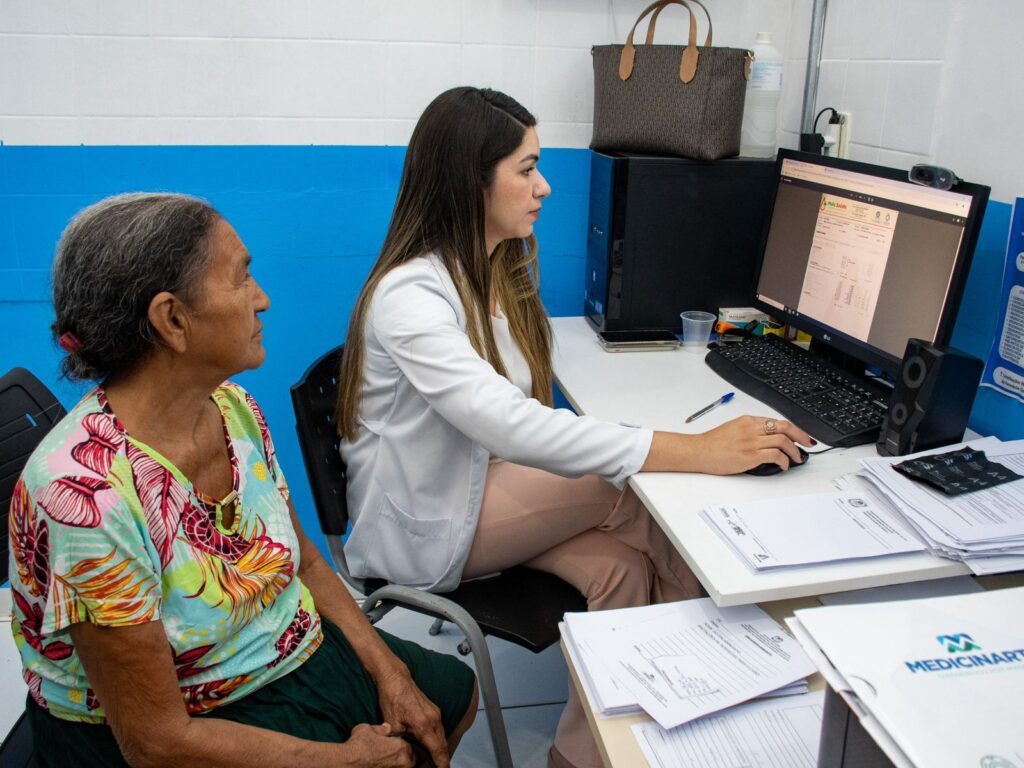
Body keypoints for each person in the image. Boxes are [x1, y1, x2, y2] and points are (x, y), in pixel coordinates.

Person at [337, 87, 812, 768]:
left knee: (621, 572)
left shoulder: (495, 270)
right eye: (526, 169)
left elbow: (520, 422)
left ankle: (586, 756)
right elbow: (511, 427)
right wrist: (698, 451)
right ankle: (707, 698)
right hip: (426, 526)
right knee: (638, 499)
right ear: (469, 182)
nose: (545, 187)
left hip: (481, 495)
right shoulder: (412, 296)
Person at [8, 193, 477, 768]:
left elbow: (301, 560)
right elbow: (155, 741)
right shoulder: (86, 497)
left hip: (273, 646)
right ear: (172, 319)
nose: (263, 299)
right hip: (180, 715)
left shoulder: (233, 409)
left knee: (453, 691)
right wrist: (338, 760)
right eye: (242, 277)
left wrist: (391, 669)